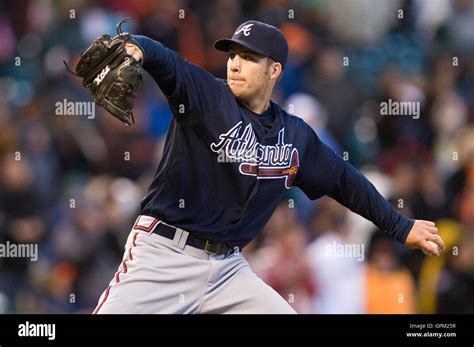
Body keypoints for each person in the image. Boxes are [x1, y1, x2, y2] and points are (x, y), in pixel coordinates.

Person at [93, 20, 445, 314]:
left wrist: (401, 226)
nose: (234, 64)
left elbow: (343, 179)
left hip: (228, 272)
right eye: (232, 55)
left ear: (274, 69)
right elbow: (167, 62)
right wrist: (136, 46)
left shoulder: (293, 135)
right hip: (165, 256)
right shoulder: (207, 97)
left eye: (248, 57)